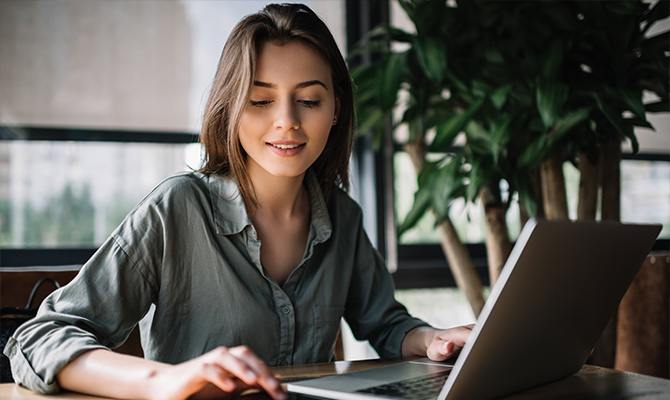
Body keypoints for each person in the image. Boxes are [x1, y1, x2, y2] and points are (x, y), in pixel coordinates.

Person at [4, 4, 472, 400]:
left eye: (308, 100)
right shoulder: (177, 209)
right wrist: (163, 380)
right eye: (260, 101)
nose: (286, 121)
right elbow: (39, 337)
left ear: (335, 112)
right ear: (229, 109)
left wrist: (433, 340)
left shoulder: (342, 216)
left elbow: (386, 324)